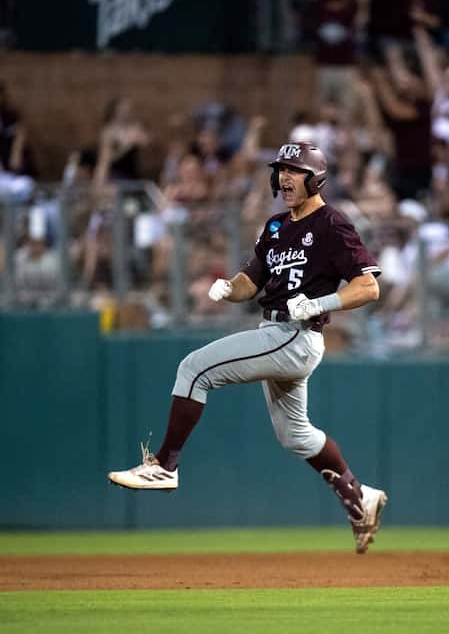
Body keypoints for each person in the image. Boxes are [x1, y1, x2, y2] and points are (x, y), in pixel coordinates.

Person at [108, 142, 388, 554]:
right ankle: (359, 496)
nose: (284, 178)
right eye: (281, 170)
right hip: (277, 331)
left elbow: (369, 287)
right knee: (294, 436)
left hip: (295, 335)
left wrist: (320, 303)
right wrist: (228, 288)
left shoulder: (332, 223)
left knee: (194, 369)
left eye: (294, 170)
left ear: (316, 178)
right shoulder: (275, 226)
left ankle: (165, 467)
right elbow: (250, 283)